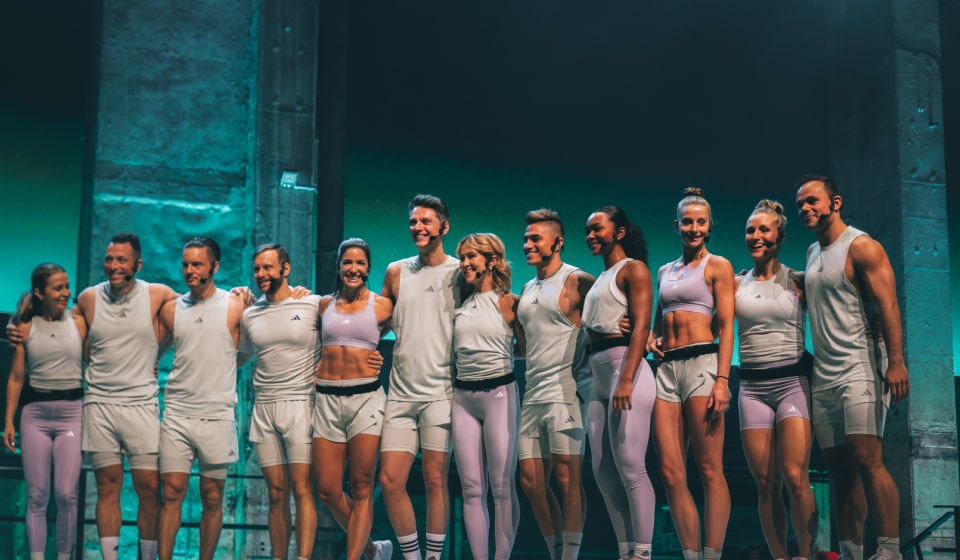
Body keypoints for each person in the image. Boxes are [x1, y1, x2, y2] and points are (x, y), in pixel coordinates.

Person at [796, 175, 908, 560]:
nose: (806, 209)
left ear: (836, 202)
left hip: (861, 368)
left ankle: (890, 550)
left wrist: (896, 362)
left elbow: (889, 305)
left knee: (867, 458)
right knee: (839, 469)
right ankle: (850, 552)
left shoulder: (861, 247)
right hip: (824, 376)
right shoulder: (812, 253)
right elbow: (812, 290)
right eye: (801, 205)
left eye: (813, 201)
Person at [648, 188, 734, 560]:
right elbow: (656, 325)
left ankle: (712, 554)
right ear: (677, 225)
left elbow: (728, 327)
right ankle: (690, 554)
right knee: (670, 471)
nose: (693, 228)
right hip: (666, 369)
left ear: (710, 226)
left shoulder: (718, 266)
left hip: (703, 365)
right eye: (687, 221)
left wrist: (723, 380)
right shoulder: (665, 271)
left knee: (709, 467)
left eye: (701, 222)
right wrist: (650, 339)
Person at [378, 194, 460, 560]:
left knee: (434, 480)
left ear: (444, 226)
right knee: (390, 481)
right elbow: (376, 322)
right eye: (413, 221)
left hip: (442, 394)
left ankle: (433, 557)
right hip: (400, 394)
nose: (418, 228)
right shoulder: (396, 271)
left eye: (426, 221)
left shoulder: (460, 272)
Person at [735, 201, 818, 560]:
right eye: (751, 230)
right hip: (751, 388)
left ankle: (807, 553)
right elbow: (692, 318)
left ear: (780, 237)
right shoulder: (734, 283)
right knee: (766, 484)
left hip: (792, 385)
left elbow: (839, 315)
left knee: (795, 474)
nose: (755, 236)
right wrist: (652, 336)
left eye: (764, 230)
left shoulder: (799, 281)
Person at [156, 237, 247, 560]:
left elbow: (247, 350)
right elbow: (150, 353)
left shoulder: (235, 305)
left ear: (214, 267)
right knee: (171, 493)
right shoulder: (170, 310)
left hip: (218, 415)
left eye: (197, 264)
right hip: (178, 414)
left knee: (211, 497)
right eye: (185, 264)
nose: (189, 270)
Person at [517, 208, 594, 560]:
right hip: (532, 395)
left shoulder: (579, 280)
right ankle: (555, 551)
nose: (527, 244)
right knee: (531, 483)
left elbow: (616, 314)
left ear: (557, 242)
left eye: (535, 239)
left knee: (567, 482)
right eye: (526, 239)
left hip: (566, 395)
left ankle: (570, 557)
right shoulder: (527, 287)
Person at [312, 238, 394, 560]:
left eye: (360, 263)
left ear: (368, 268)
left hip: (366, 400)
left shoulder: (382, 305)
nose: (354, 269)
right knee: (328, 490)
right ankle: (373, 551)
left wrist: (382, 359)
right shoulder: (322, 305)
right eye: (348, 262)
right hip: (327, 401)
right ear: (338, 266)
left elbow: (410, 334)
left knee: (362, 488)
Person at [582, 206, 656, 560]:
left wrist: (626, 377)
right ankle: (626, 550)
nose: (591, 235)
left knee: (630, 464)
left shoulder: (634, 269)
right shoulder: (601, 278)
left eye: (597, 229)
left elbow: (641, 325)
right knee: (601, 469)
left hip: (625, 371)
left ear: (620, 232)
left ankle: (643, 552)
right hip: (599, 378)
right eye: (588, 230)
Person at [240, 243, 322, 560]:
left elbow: (339, 342)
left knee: (302, 489)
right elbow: (239, 355)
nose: (261, 274)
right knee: (276, 493)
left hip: (301, 404)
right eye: (258, 268)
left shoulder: (314, 303)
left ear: (285, 269)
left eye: (268, 267)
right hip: (264, 409)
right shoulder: (249, 314)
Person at [3, 264, 86, 560]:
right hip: (34, 416)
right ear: (40, 293)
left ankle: (64, 557)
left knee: (66, 494)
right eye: (58, 288)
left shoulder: (78, 321)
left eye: (67, 286)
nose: (66, 293)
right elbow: (16, 377)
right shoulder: (25, 327)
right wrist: (9, 422)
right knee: (37, 495)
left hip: (71, 414)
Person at [451, 233, 523, 560]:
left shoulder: (510, 303)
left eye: (472, 257)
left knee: (502, 486)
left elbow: (529, 348)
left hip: (499, 394)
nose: (465, 263)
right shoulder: (458, 306)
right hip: (462, 398)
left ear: (491, 260)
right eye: (463, 257)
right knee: (471, 488)